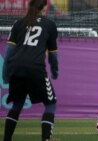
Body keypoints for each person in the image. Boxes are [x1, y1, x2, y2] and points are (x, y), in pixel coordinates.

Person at [2, 0, 59, 140]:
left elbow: (8, 52)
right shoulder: (50, 25)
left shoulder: (18, 23)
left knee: (17, 104)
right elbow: (53, 54)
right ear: (44, 8)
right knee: (51, 104)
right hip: (35, 68)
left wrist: (5, 74)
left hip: (17, 68)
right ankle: (46, 138)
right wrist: (55, 71)